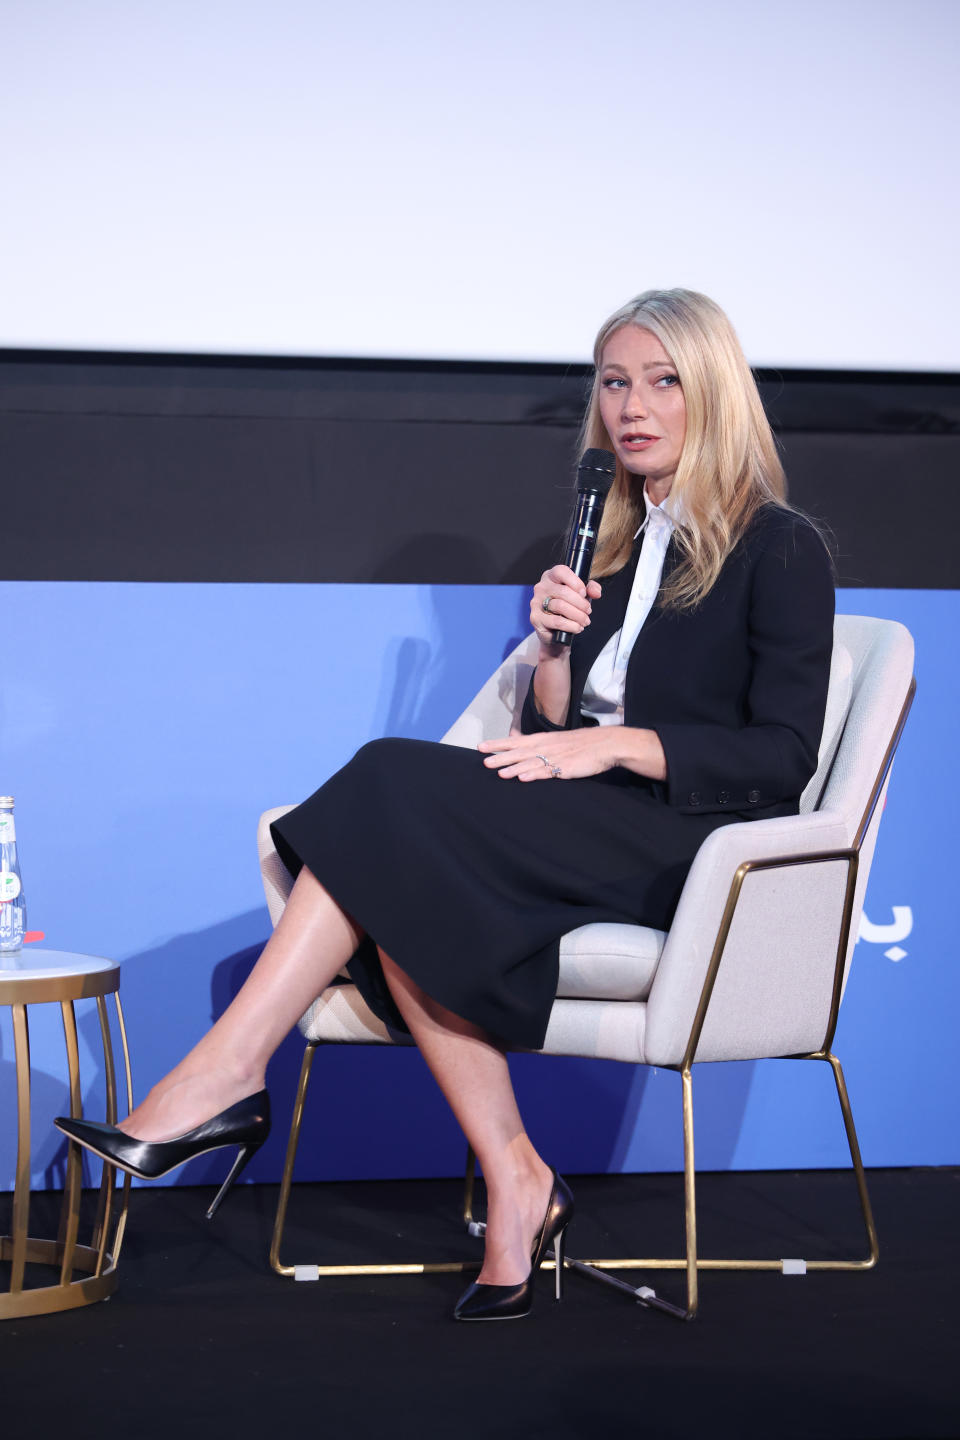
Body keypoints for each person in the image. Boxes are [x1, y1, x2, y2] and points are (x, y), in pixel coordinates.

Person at [57, 288, 835, 1322]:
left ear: (717, 395)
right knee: (400, 864)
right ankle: (515, 1176)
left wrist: (606, 744)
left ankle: (222, 1080)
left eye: (663, 381)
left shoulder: (780, 546)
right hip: (587, 819)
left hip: (683, 845)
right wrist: (555, 650)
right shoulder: (616, 540)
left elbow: (779, 759)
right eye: (613, 383)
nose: (632, 408)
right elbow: (558, 731)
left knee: (387, 784)